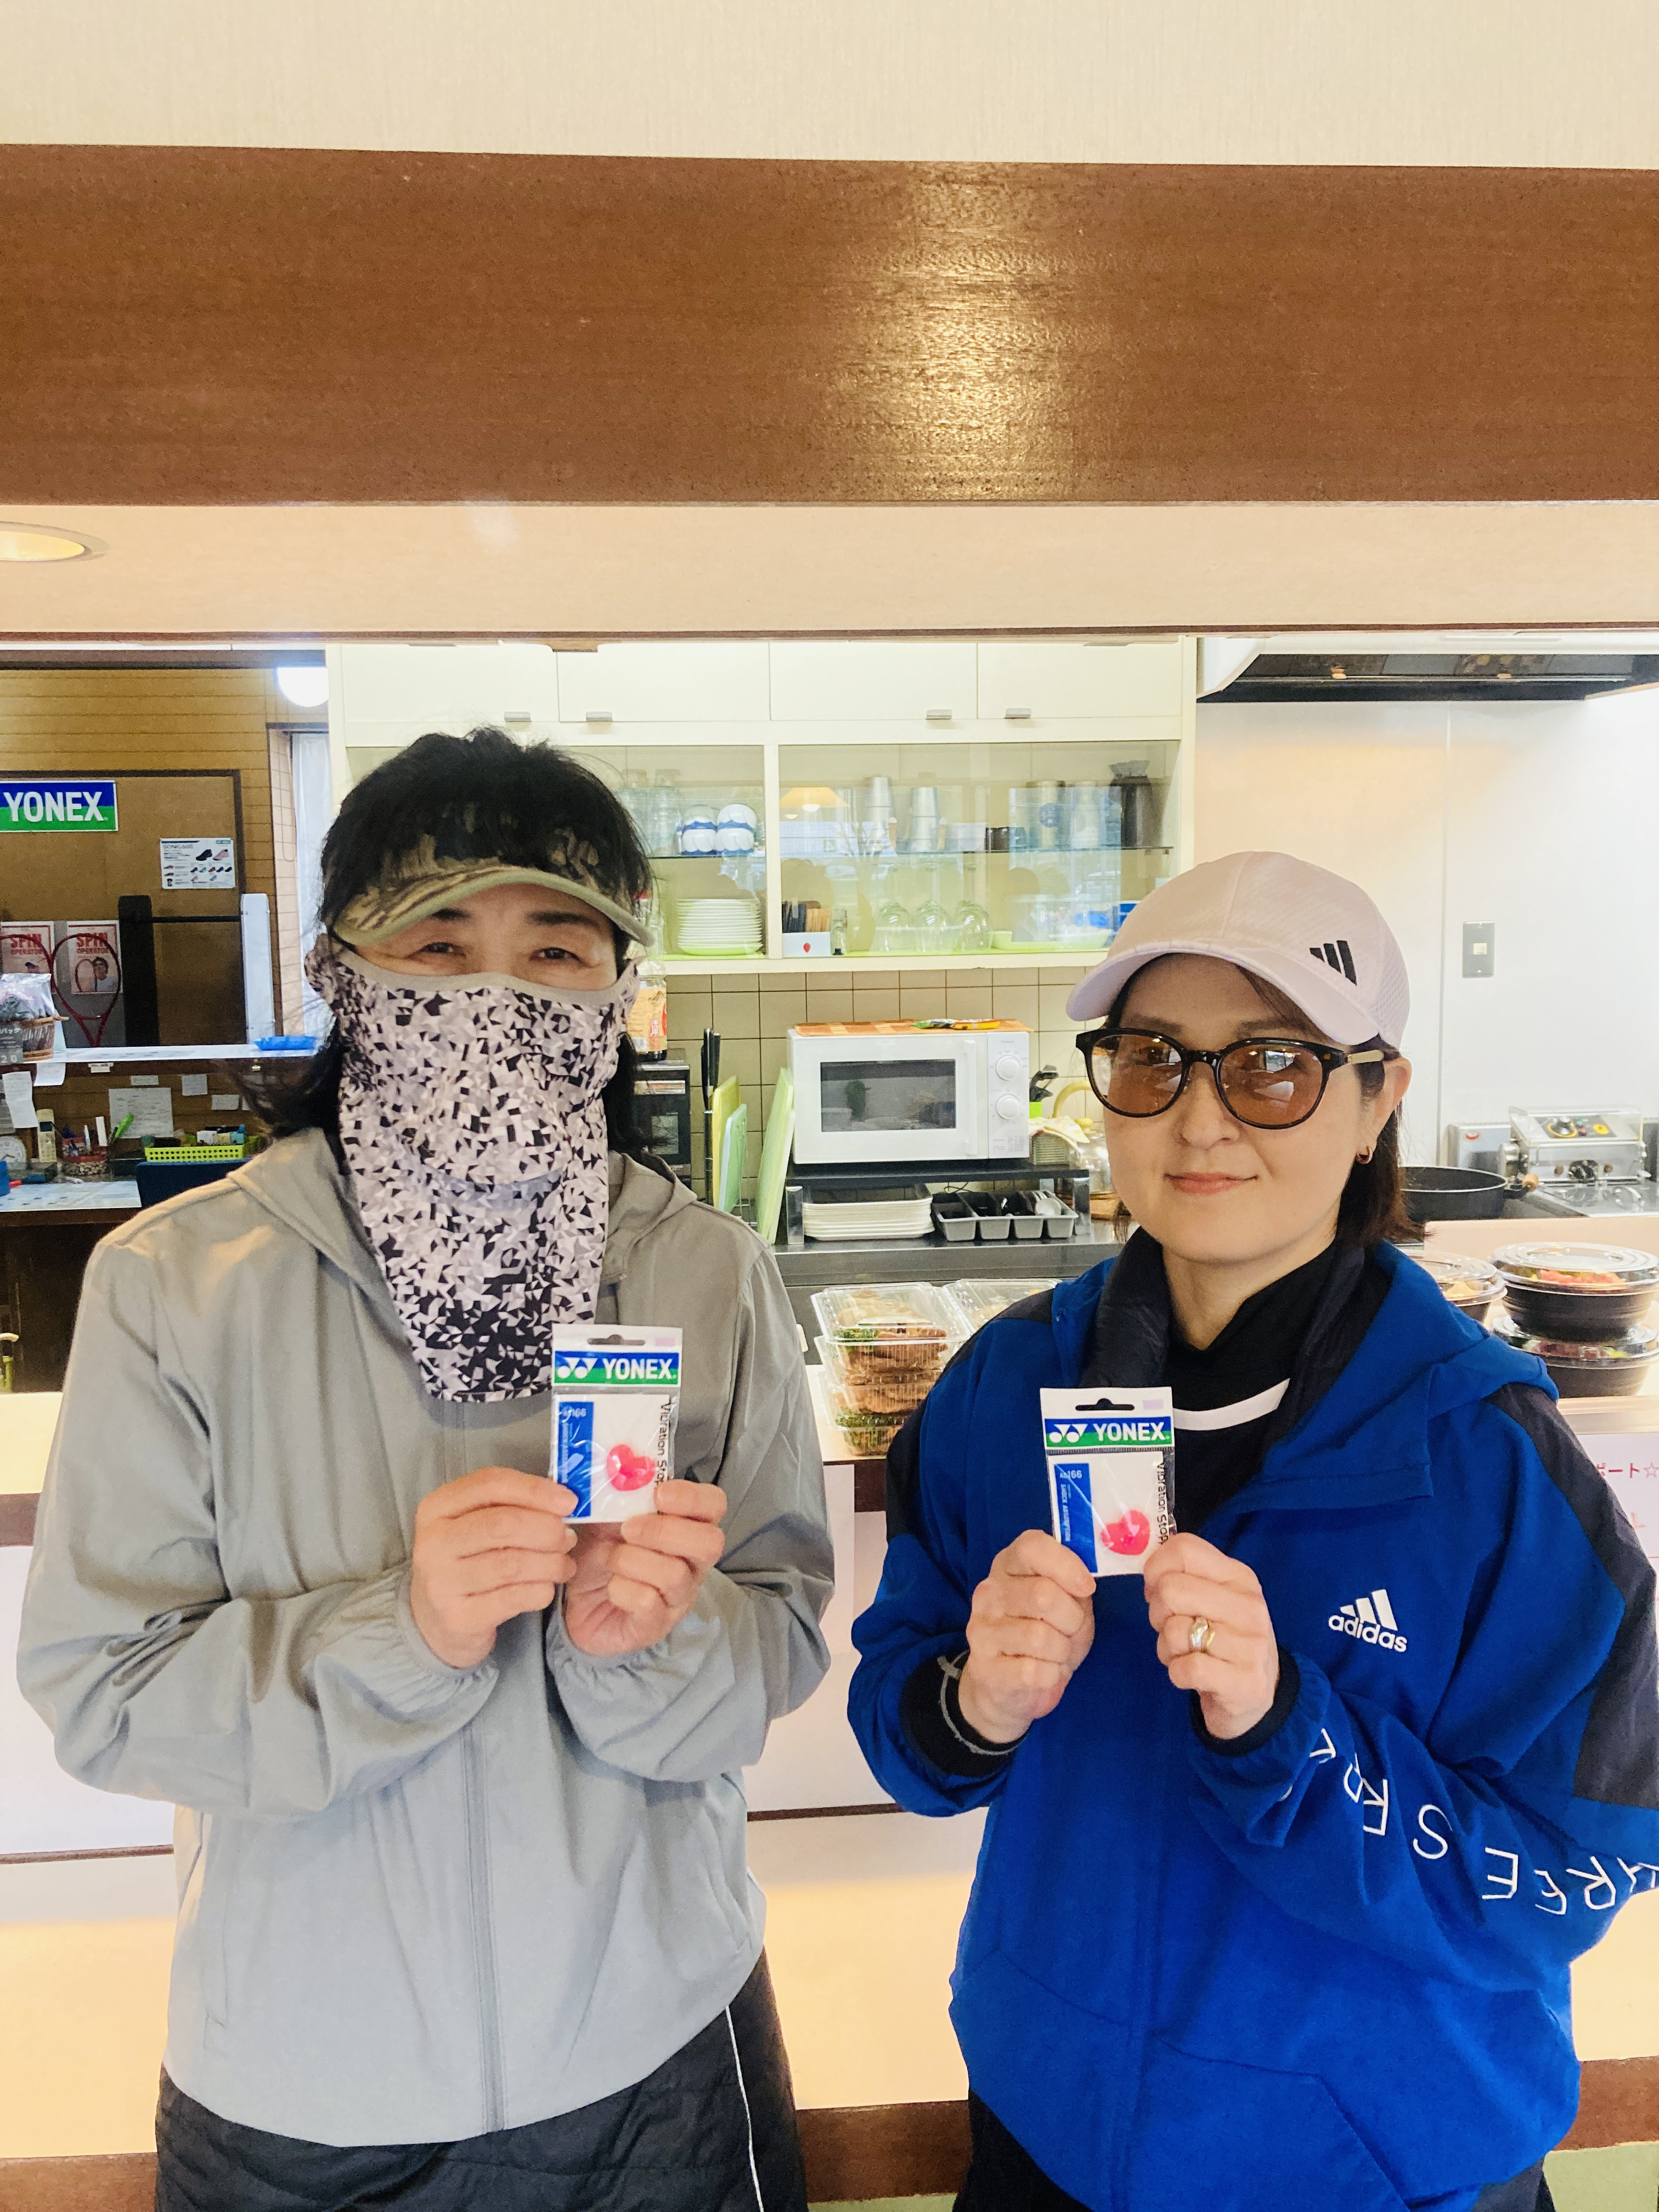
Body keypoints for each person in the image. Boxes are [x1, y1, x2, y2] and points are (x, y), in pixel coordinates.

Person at [19, 728, 833, 2212]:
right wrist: (402, 1634)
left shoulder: (707, 1273)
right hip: (300, 2091)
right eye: (437, 944)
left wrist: (650, 1642)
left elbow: (778, 1639)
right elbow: (106, 1694)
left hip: (657, 2051)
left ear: (620, 990)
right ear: (340, 975)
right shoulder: (178, 1284)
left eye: (556, 950)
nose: (495, 998)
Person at [850, 851, 1659, 2212]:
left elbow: (1573, 1875)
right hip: (1049, 2134)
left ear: (1376, 1099)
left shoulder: (1488, 1459)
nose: (1201, 1120)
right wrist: (969, 1705)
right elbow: (902, 1731)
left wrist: (1293, 1731)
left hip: (1375, 2170)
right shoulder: (1001, 1392)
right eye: (1153, 1059)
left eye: (1273, 1065)